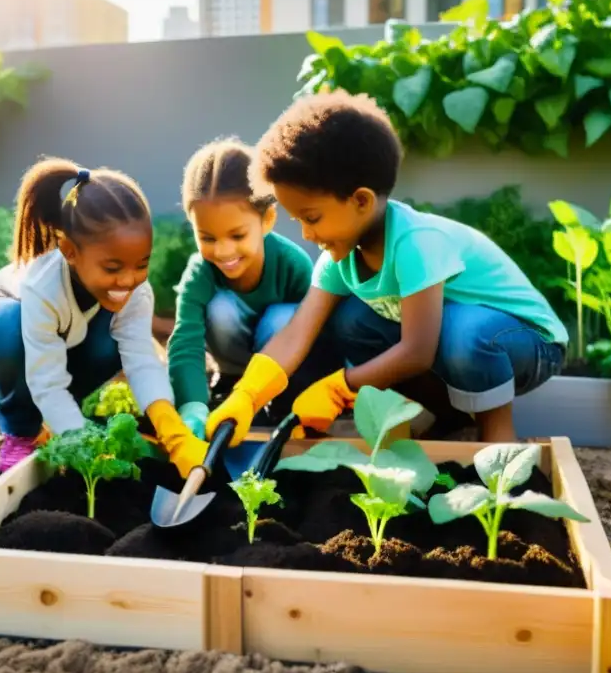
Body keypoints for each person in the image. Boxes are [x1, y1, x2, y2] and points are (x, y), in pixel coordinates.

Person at [204, 90, 568, 446]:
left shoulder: (415, 243)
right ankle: (443, 418)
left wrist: (340, 386)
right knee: (352, 321)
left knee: (463, 331)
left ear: (360, 200)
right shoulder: (340, 255)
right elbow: (297, 332)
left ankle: (497, 438)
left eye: (311, 218)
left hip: (528, 342)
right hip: (462, 346)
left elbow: (418, 351)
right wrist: (246, 396)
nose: (306, 233)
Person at [0, 157, 205, 474]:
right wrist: (87, 447)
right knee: (6, 328)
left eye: (141, 264)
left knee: (113, 344)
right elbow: (47, 382)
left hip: (73, 334)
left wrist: (172, 431)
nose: (128, 280)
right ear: (70, 251)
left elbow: (141, 360)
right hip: (13, 323)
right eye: (113, 267)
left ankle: (66, 418)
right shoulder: (43, 286)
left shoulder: (135, 289)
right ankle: (21, 432)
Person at [168, 137, 340, 438]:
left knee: (285, 319)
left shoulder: (291, 263)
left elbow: (314, 336)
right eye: (208, 238)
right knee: (220, 309)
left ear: (267, 220)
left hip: (279, 369)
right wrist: (192, 407)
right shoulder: (201, 272)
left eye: (237, 236)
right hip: (234, 363)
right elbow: (186, 341)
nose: (223, 251)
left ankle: (274, 402)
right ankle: (230, 383)